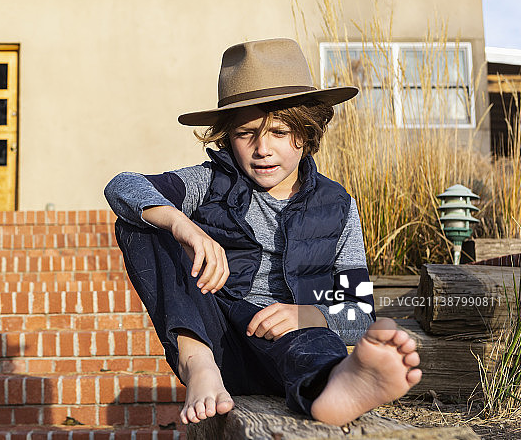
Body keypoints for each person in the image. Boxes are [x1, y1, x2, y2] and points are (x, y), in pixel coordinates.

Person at [104, 38, 422, 427]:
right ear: (226, 136)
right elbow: (122, 185)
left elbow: (357, 313)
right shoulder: (209, 182)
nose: (262, 149)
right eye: (246, 133)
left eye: (279, 131)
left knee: (311, 341)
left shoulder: (337, 205)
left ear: (306, 132)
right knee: (143, 221)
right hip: (218, 344)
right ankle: (198, 367)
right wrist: (183, 225)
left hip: (289, 349)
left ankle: (336, 385)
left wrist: (311, 313)